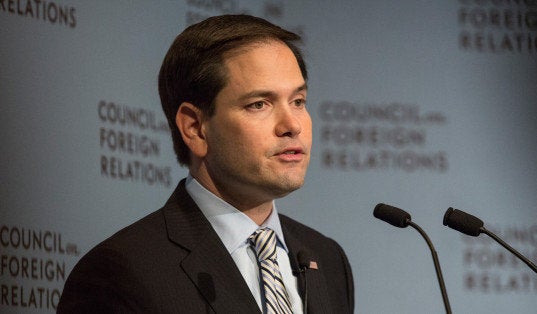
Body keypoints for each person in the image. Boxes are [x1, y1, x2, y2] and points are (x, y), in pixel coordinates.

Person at [58, 14, 354, 313]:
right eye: (259, 104)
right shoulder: (122, 273)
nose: (292, 125)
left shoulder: (327, 260)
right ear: (195, 128)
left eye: (298, 101)